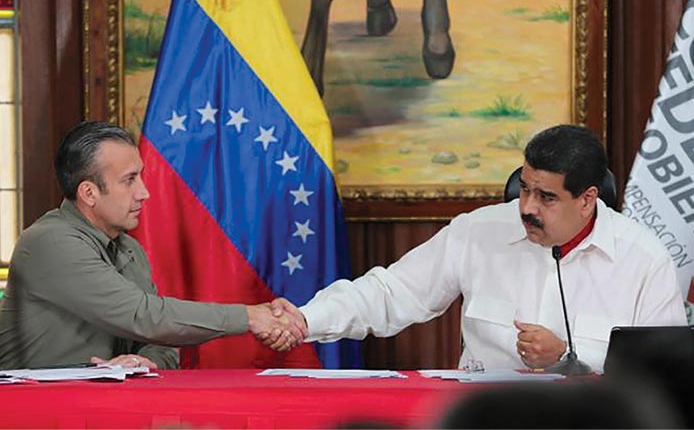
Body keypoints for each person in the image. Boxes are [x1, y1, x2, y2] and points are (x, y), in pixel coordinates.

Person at [272, 124, 687, 371]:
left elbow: (663, 373)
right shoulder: (479, 231)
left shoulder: (643, 259)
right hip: (483, 421)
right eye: (524, 188)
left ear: (587, 198)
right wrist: (308, 319)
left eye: (546, 198)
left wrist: (567, 357)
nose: (526, 207)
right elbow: (390, 292)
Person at [0, 121, 303, 370]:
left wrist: (145, 362)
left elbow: (159, 339)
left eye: (140, 176)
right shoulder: (50, 242)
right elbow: (144, 315)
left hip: (107, 406)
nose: (144, 192)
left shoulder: (129, 249)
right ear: (89, 193)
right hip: (35, 412)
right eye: (129, 180)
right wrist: (249, 317)